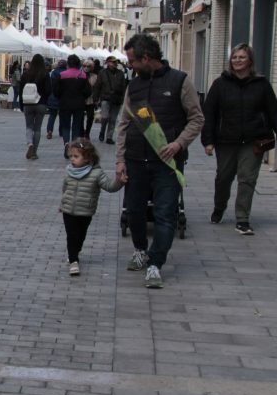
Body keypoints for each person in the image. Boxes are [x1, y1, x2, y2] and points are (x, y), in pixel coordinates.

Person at [117, 33, 204, 289]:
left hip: (167, 163)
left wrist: (178, 143)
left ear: (146, 58)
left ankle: (155, 263)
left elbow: (197, 118)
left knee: (165, 214)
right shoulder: (133, 86)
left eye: (132, 61)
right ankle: (140, 250)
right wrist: (120, 160)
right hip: (135, 159)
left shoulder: (180, 81)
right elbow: (123, 123)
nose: (130, 66)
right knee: (134, 211)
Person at [201, 43, 277, 236]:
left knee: (247, 179)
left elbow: (274, 112)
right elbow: (209, 113)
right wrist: (207, 140)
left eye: (242, 57)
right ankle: (219, 207)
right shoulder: (220, 84)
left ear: (250, 60)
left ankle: (242, 219)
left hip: (253, 140)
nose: (237, 61)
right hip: (226, 140)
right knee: (223, 179)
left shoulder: (262, 84)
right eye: (234, 57)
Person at [60, 138, 124, 276]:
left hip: (85, 211)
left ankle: (75, 251)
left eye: (76, 156)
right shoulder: (69, 171)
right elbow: (65, 189)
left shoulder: (96, 173)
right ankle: (73, 261)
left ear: (88, 158)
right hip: (68, 210)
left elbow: (109, 186)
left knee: (80, 235)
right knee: (71, 235)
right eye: (71, 156)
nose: (72, 159)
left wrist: (119, 182)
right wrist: (62, 204)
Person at [52, 55, 91, 156]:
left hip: (65, 103)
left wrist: (60, 97)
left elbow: (56, 90)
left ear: (68, 64)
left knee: (65, 125)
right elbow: (88, 91)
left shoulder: (62, 75)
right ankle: (73, 146)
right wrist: (83, 96)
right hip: (79, 104)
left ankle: (66, 143)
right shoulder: (82, 75)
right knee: (76, 126)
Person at [19, 55, 50, 160]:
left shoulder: (26, 74)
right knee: (37, 128)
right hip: (41, 103)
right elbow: (48, 91)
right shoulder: (45, 74)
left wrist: (21, 104)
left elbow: (20, 90)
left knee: (29, 126)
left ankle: (30, 144)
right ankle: (34, 152)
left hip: (28, 103)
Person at [96, 57, 128, 144]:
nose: (114, 64)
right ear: (107, 63)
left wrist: (123, 99)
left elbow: (123, 87)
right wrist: (96, 98)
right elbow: (98, 86)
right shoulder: (102, 73)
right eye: (112, 62)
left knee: (113, 119)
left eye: (115, 62)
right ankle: (102, 131)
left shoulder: (120, 73)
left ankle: (109, 137)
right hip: (105, 98)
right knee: (105, 117)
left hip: (116, 99)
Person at [46, 59, 65, 140]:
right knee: (62, 116)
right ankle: (61, 131)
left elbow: (50, 85)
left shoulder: (53, 72)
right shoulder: (66, 73)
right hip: (63, 98)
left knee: (52, 115)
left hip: (53, 96)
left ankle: (49, 130)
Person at [83, 60, 100, 139]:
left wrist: (97, 99)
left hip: (91, 99)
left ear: (92, 67)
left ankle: (87, 133)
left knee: (90, 117)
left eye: (88, 66)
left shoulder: (95, 76)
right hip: (81, 99)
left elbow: (97, 88)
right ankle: (82, 131)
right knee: (80, 117)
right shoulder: (80, 75)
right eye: (84, 66)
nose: (86, 68)